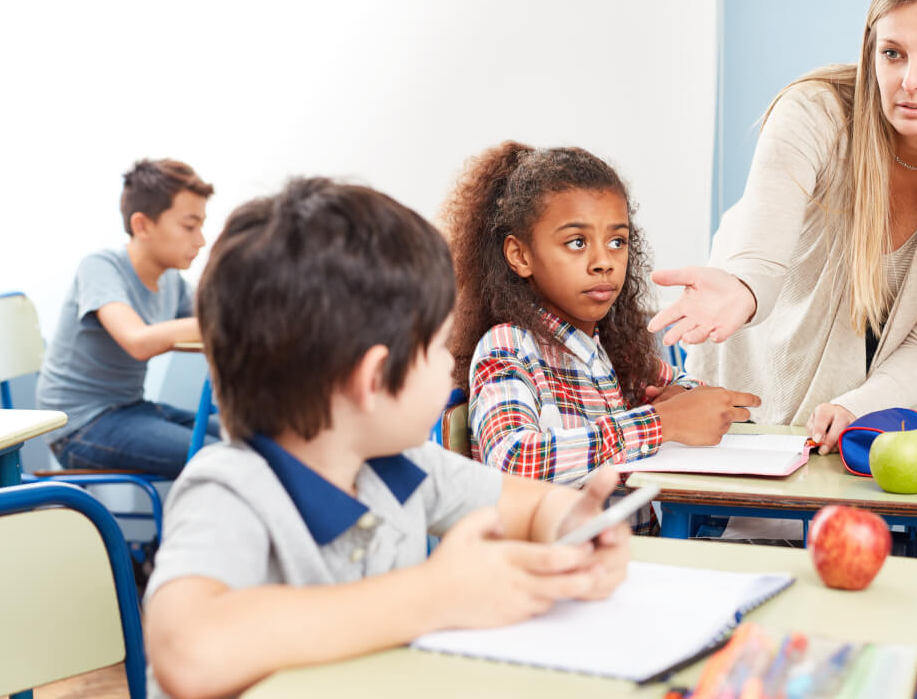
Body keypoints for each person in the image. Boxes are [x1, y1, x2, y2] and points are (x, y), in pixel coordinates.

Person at [144, 177, 631, 699]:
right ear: (374, 379)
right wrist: (435, 595)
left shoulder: (402, 464)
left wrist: (573, 526)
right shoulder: (230, 489)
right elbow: (189, 651)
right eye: (439, 347)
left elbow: (530, 506)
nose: (449, 366)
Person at [649, 0, 917, 455]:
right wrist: (741, 289)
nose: (908, 81)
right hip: (762, 345)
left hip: (876, 385)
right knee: (736, 519)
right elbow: (761, 257)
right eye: (892, 53)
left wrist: (861, 403)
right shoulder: (815, 112)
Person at [442, 141, 758, 531]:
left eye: (617, 241)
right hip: (561, 578)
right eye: (577, 242)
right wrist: (660, 422)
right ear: (520, 256)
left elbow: (683, 386)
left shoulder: (610, 347)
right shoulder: (508, 346)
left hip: (633, 563)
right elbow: (512, 460)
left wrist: (684, 399)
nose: (603, 262)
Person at [37, 158, 221, 478]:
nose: (201, 240)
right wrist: (228, 323)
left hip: (131, 408)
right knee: (215, 457)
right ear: (142, 225)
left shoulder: (171, 283)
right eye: (190, 226)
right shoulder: (100, 267)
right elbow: (137, 341)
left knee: (249, 440)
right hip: (79, 427)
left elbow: (213, 318)